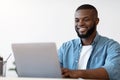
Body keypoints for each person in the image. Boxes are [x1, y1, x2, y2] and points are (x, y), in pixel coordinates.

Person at [58, 4, 120, 80]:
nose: (80, 23)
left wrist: (75, 73)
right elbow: (53, 71)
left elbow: (112, 71)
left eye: (86, 19)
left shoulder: (112, 46)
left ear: (96, 21)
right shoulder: (65, 47)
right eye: (77, 20)